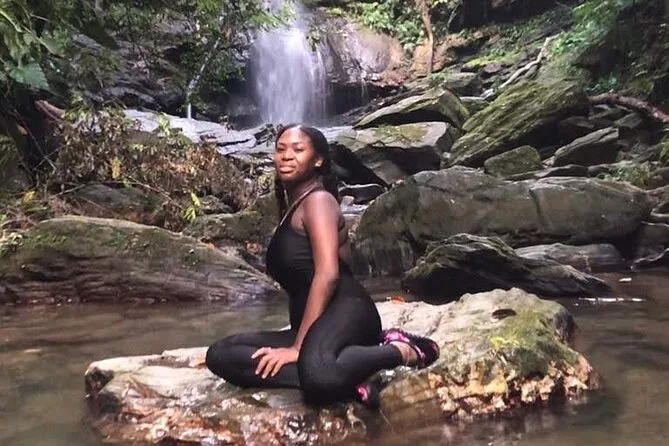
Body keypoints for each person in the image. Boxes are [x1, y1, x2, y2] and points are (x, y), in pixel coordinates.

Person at [205, 124, 440, 408]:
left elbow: (328, 275)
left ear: (318, 160)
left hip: (346, 313)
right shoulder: (293, 205)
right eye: (280, 149)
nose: (286, 156)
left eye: (298, 149)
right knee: (222, 354)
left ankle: (402, 350)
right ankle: (349, 376)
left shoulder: (318, 201)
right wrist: (300, 343)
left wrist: (297, 348)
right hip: (313, 325)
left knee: (319, 374)